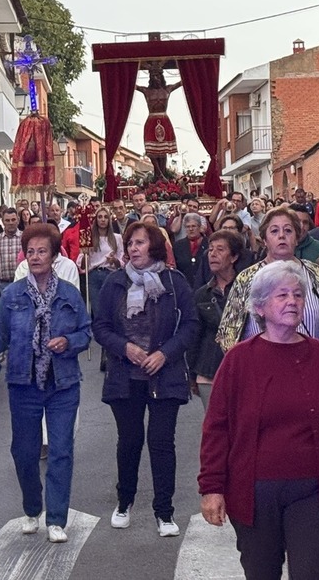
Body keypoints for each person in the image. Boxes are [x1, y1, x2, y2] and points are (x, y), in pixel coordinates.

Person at [199, 261, 319, 580]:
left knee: (313, 573)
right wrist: (212, 488)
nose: (292, 301)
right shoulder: (238, 360)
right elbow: (216, 428)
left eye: (298, 295)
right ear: (260, 307)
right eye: (282, 295)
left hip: (313, 490)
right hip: (254, 493)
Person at [92, 221, 197, 537]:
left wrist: (165, 354)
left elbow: (190, 325)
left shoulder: (174, 282)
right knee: (130, 441)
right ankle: (124, 502)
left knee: (162, 443)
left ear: (153, 246)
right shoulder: (114, 282)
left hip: (164, 375)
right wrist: (125, 348)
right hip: (126, 375)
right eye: (130, 243)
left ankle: (164, 513)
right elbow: (101, 327)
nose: (133, 248)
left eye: (139, 243)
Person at [0, 223, 92, 544]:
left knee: (61, 450)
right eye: (31, 251)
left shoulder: (69, 294)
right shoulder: (11, 295)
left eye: (42, 251)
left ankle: (56, 518)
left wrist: (69, 340)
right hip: (23, 384)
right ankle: (31, 507)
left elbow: (86, 332)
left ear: (54, 256)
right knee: (24, 452)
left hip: (62, 383)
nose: (36, 256)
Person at [217, 207, 319, 351]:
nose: (282, 236)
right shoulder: (247, 278)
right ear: (264, 240)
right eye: (274, 231)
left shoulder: (316, 272)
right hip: (261, 364)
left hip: (310, 363)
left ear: (297, 238)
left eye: (288, 230)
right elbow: (228, 335)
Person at [187, 230, 242, 409]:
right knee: (214, 428)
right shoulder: (202, 294)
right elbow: (194, 336)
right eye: (210, 250)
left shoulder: (246, 288)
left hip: (241, 368)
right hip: (208, 369)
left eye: (220, 249)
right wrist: (192, 374)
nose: (213, 254)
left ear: (233, 257)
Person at [135, 63, 181, 180]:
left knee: (163, 150)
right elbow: (132, 85)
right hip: (151, 120)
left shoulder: (167, 89)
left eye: (158, 75)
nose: (156, 78)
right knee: (151, 151)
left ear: (162, 77)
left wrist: (187, 67)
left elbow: (182, 82)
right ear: (150, 78)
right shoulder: (146, 91)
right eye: (153, 76)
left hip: (164, 120)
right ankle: (159, 174)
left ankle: (162, 175)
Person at [77, 205, 123, 315]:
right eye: (100, 217)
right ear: (96, 219)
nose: (103, 220)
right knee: (97, 309)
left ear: (109, 219)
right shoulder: (89, 238)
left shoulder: (117, 238)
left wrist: (114, 260)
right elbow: (81, 264)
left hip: (110, 274)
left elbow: (121, 260)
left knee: (111, 307)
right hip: (94, 275)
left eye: (106, 217)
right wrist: (86, 254)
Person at [0, 208, 22, 291]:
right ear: (3, 222)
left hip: (21, 284)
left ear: (18, 220)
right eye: (7, 220)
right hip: (1, 286)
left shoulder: (25, 238)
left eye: (13, 220)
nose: (10, 223)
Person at [173, 213, 209, 288]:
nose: (191, 229)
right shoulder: (178, 246)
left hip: (205, 286)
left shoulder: (209, 244)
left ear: (199, 227)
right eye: (187, 226)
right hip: (184, 286)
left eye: (193, 226)